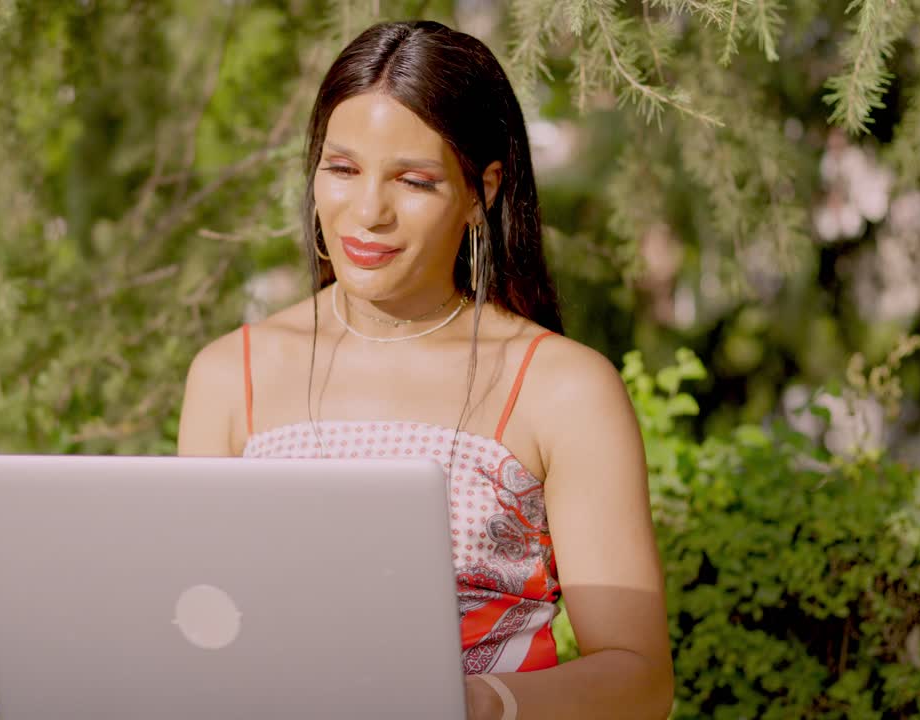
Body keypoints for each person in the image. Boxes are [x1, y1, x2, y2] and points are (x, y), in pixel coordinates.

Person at [178, 20, 674, 720]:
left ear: (482, 191)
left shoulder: (562, 388)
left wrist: (469, 704)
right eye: (342, 169)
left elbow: (640, 680)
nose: (368, 212)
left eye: (414, 181)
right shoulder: (231, 376)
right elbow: (200, 634)